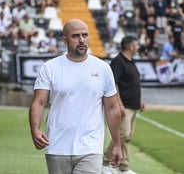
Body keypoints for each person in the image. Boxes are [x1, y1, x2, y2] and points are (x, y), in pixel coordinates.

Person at [29, 19, 122, 174]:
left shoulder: (103, 68)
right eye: (75, 36)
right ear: (65, 40)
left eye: (85, 35)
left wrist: (117, 144)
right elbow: (38, 103)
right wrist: (35, 130)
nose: (81, 40)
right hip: (57, 146)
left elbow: (112, 108)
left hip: (91, 147)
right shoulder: (50, 67)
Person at [102, 36, 145, 174]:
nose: (138, 47)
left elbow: (132, 84)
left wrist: (139, 101)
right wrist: (119, 103)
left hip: (133, 105)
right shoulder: (118, 62)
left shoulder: (131, 61)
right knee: (123, 135)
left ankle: (120, 165)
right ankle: (109, 163)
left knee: (127, 136)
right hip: (124, 105)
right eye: (137, 45)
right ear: (131, 46)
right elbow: (113, 83)